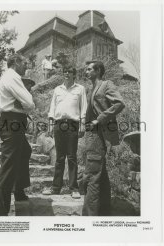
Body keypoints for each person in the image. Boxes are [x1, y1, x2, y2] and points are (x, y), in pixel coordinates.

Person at [0, 54, 35, 216]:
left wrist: (22, 104)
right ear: (16, 62)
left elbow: (25, 103)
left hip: (13, 121)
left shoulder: (10, 76)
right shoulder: (13, 76)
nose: (26, 66)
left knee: (25, 151)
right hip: (12, 123)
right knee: (8, 169)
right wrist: (24, 103)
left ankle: (19, 189)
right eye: (25, 63)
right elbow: (30, 102)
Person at [82, 61, 125, 216]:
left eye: (89, 69)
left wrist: (99, 119)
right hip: (92, 133)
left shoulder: (107, 84)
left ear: (98, 70)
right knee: (100, 171)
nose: (85, 72)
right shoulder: (91, 88)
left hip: (99, 133)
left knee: (93, 173)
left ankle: (89, 216)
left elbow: (119, 103)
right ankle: (105, 210)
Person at [43, 65, 87, 199]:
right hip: (58, 124)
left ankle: (74, 188)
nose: (67, 73)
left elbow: (83, 108)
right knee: (59, 158)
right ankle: (56, 187)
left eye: (69, 71)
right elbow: (52, 108)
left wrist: (82, 125)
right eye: (65, 71)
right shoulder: (57, 89)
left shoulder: (80, 89)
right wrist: (50, 125)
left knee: (72, 157)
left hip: (73, 125)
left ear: (74, 74)